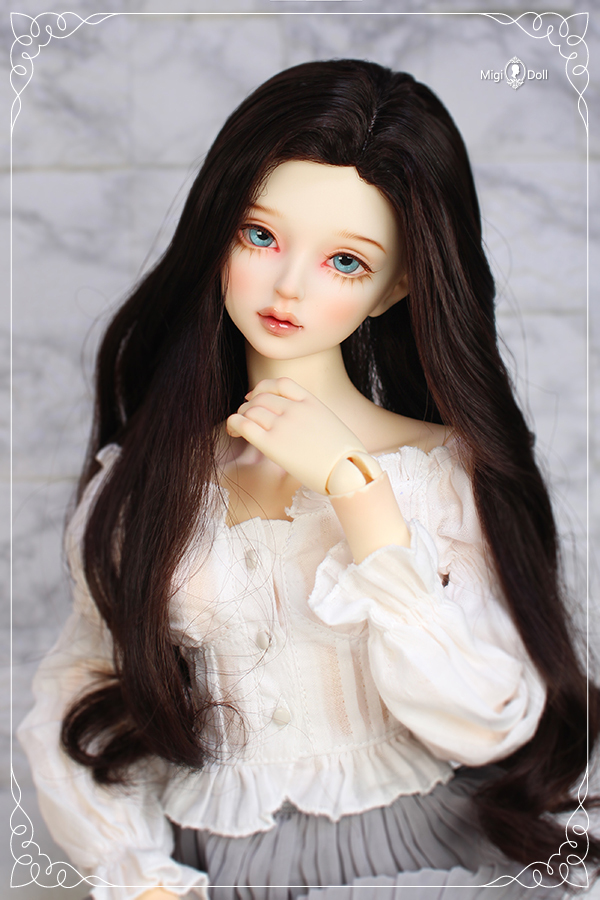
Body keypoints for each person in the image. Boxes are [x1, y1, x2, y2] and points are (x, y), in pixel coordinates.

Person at [18, 59, 597, 900]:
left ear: (398, 284)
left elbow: (486, 718)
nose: (288, 285)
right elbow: (84, 691)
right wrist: (138, 876)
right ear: (217, 230)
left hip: (414, 855)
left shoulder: (440, 474)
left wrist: (358, 494)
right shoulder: (142, 492)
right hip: (212, 866)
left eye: (345, 261)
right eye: (260, 236)